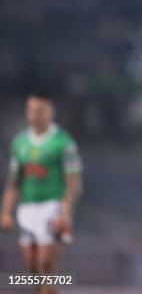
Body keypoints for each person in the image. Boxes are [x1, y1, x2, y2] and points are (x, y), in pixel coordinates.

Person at [0, 91, 82, 294]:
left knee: (46, 265)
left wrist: (66, 213)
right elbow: (14, 182)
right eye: (33, 111)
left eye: (41, 111)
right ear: (27, 113)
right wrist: (6, 212)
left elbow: (73, 182)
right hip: (27, 209)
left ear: (50, 112)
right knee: (34, 269)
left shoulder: (64, 143)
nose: (36, 115)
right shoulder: (20, 144)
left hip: (53, 207)